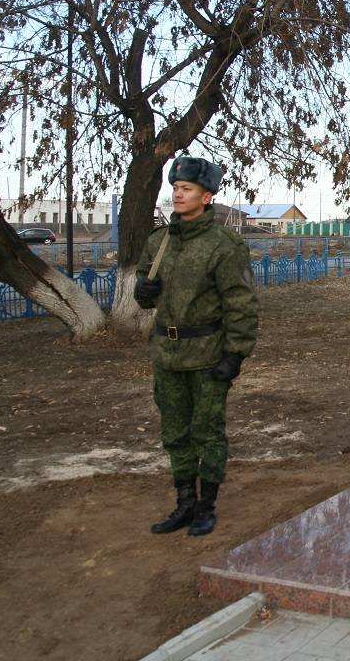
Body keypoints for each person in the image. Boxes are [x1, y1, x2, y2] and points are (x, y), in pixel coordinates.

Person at [134, 157, 258, 537]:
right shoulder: (160, 241)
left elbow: (241, 300)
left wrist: (236, 353)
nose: (178, 194)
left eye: (186, 189)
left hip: (207, 355)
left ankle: (206, 505)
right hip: (167, 355)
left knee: (207, 432)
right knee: (175, 432)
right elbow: (144, 286)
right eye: (175, 188)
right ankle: (184, 503)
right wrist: (143, 292)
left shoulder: (223, 244)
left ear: (206, 196)